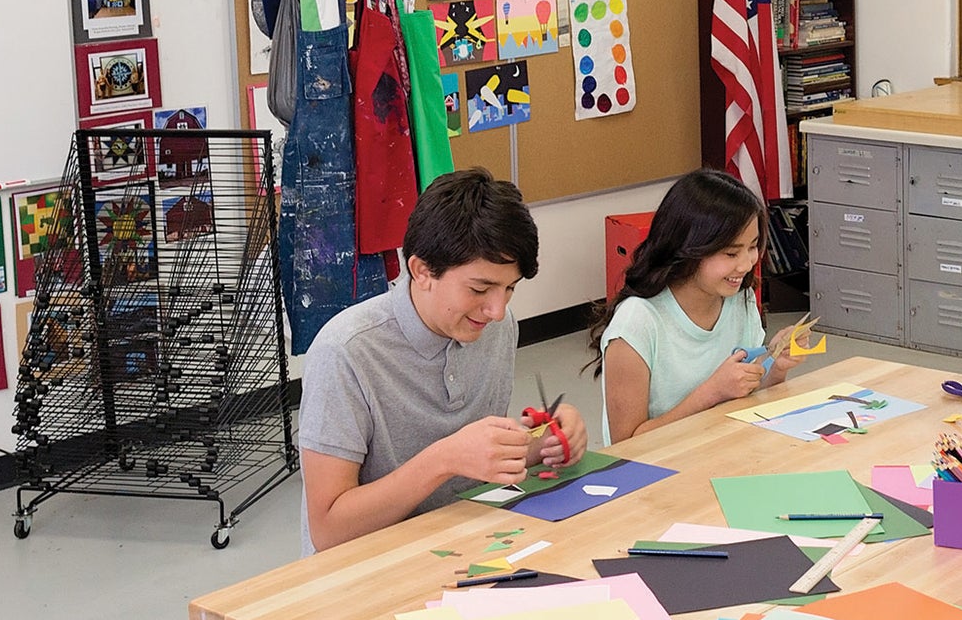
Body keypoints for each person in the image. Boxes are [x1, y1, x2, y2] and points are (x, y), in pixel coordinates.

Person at [298, 168, 586, 552]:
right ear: (422, 271)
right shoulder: (344, 352)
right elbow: (328, 530)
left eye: (510, 289)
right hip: (369, 562)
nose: (497, 310)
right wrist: (444, 459)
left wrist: (543, 445)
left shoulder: (496, 327)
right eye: (480, 288)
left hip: (461, 542)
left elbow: (474, 469)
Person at [592, 168, 797, 443]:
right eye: (731, 253)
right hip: (658, 464)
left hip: (722, 448)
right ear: (689, 249)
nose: (746, 264)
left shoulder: (740, 299)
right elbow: (627, 444)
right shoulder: (636, 324)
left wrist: (777, 366)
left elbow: (749, 398)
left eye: (753, 247)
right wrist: (711, 393)